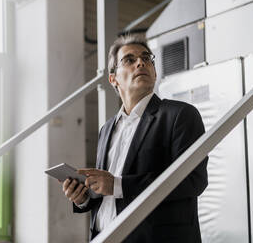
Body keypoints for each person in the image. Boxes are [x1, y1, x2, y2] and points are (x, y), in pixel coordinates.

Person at [62, 35, 208, 243]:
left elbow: (194, 181)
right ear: (113, 79)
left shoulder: (180, 115)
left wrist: (118, 185)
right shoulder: (106, 129)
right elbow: (108, 197)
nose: (141, 62)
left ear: (155, 72)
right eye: (129, 60)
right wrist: (84, 199)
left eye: (147, 58)